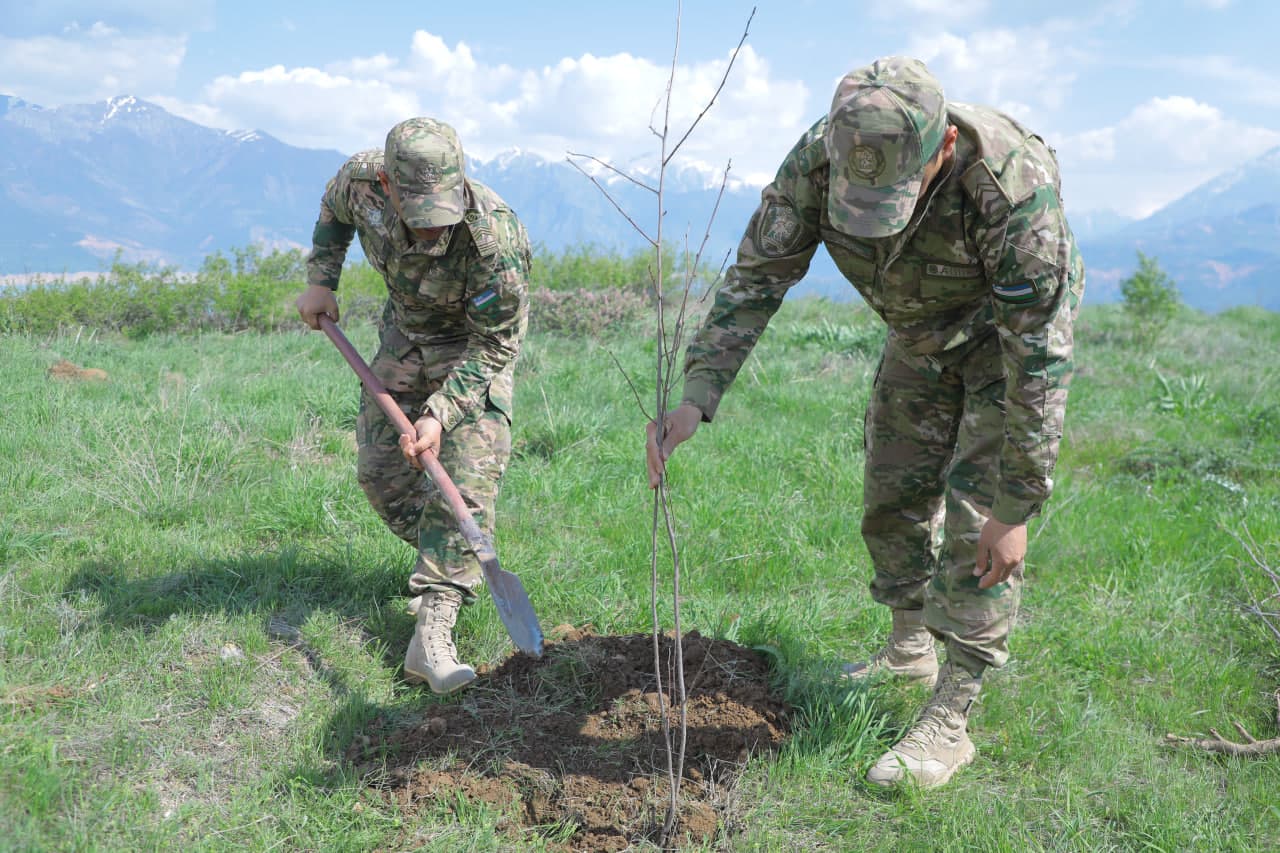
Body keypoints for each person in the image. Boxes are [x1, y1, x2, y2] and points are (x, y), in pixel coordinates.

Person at [646, 56, 1084, 787]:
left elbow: (1040, 356)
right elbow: (757, 277)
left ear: (941, 149)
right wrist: (697, 395)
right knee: (892, 495)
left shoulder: (1012, 192)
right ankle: (910, 646)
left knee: (980, 530)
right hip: (916, 336)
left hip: (1000, 346)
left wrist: (1018, 504)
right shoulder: (820, 160)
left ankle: (952, 714)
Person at [296, 117, 531, 694]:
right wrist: (322, 278)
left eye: (441, 210)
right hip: (404, 335)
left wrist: (440, 412)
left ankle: (433, 630)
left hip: (472, 349)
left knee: (466, 479)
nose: (431, 230)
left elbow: (499, 340)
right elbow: (333, 208)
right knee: (381, 473)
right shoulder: (360, 182)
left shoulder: (495, 238)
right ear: (386, 183)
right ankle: (450, 546)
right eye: (417, 210)